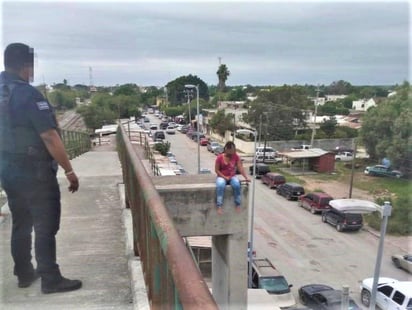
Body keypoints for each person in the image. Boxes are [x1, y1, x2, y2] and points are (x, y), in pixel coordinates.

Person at [0, 43, 82, 294]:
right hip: (34, 170)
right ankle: (50, 278)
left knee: (21, 221)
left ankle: (24, 272)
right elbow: (49, 136)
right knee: (45, 224)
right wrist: (68, 170)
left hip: (7, 169)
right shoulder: (28, 94)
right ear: (27, 66)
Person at [215, 141, 250, 215]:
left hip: (232, 176)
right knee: (220, 185)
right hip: (221, 176)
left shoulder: (236, 156)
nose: (232, 154)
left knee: (237, 185)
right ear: (226, 149)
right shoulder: (219, 158)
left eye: (233, 152)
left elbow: (240, 168)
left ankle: (238, 204)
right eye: (230, 152)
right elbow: (216, 170)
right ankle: (219, 206)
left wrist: (246, 177)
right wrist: (225, 177)